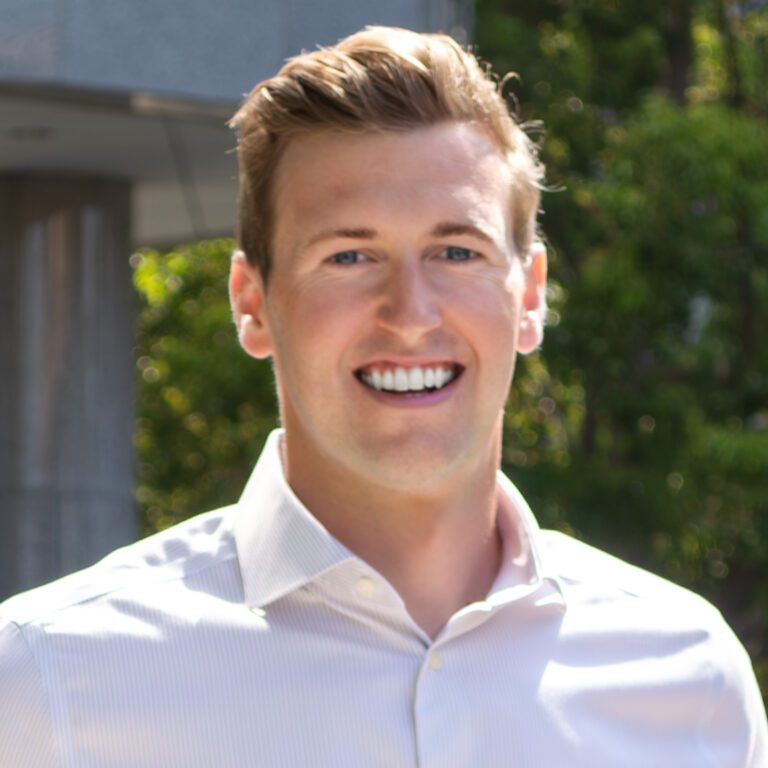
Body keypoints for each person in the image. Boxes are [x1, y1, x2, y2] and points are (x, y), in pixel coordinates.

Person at [0, 25, 765, 768]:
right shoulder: (49, 681)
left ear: (529, 296)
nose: (411, 314)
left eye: (456, 251)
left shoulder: (690, 680)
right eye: (351, 255)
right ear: (252, 302)